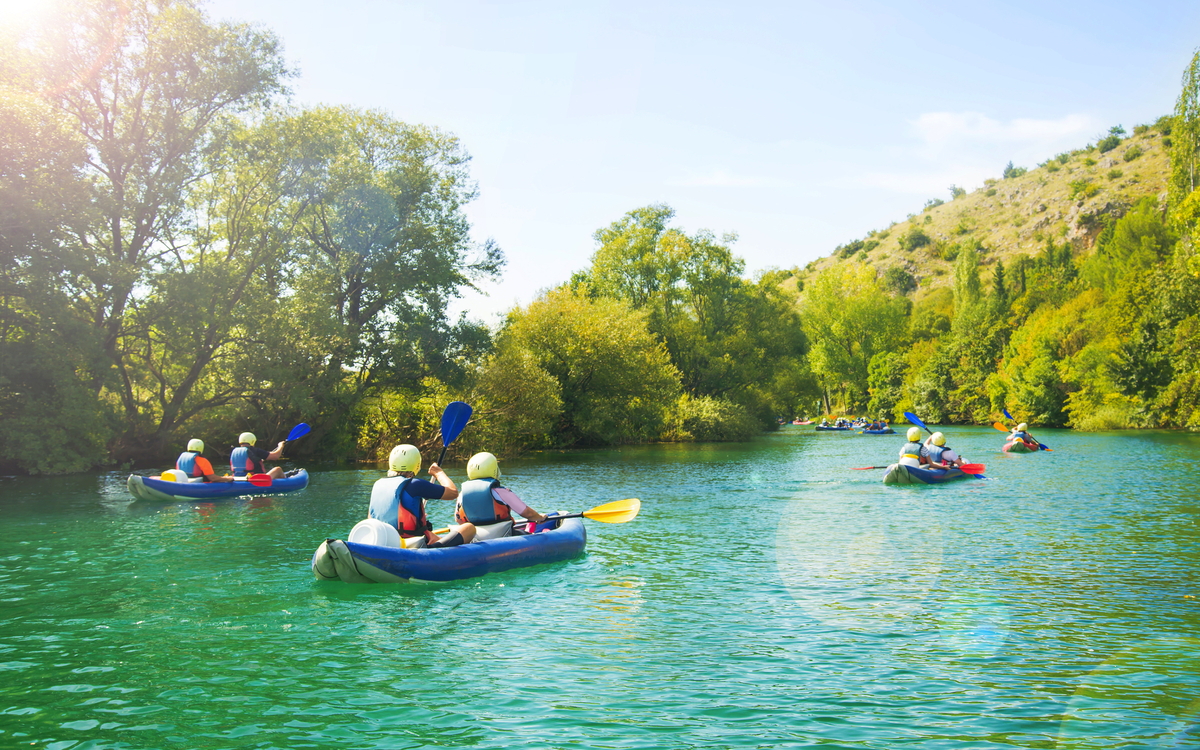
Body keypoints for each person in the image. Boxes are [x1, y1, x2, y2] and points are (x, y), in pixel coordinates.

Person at [368, 444, 475, 548]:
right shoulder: (415, 484)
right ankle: (437, 548)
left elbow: (371, 517)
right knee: (469, 528)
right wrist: (438, 473)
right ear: (417, 464)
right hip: (412, 544)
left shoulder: (377, 484)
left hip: (384, 540)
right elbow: (453, 493)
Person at [455, 452, 548, 538]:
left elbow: (458, 519)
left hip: (475, 537)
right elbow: (527, 512)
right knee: (532, 535)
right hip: (503, 535)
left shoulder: (462, 495)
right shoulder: (501, 492)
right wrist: (538, 517)